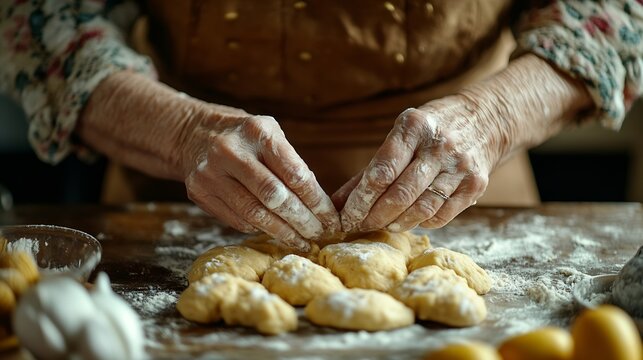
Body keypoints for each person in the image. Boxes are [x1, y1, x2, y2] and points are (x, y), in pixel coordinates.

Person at [0, 1, 641, 250]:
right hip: (181, 204)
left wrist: (492, 118)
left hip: (464, 201)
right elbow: (43, 21)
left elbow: (610, 11)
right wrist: (179, 132)